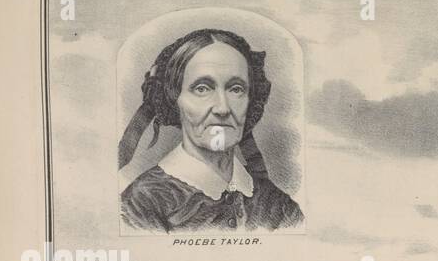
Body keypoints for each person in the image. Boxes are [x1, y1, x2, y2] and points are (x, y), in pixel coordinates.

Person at [119, 28, 304, 233]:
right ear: (174, 100)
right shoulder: (139, 206)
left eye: (236, 89)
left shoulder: (280, 207)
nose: (223, 108)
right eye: (202, 88)